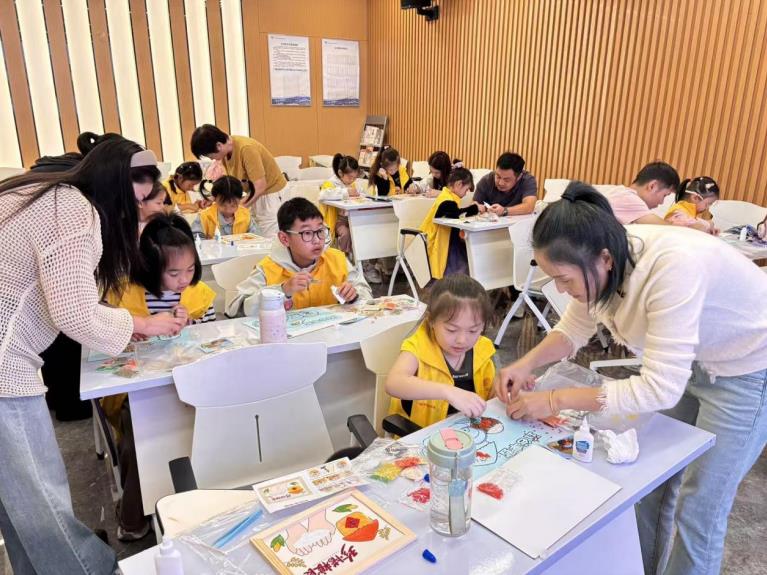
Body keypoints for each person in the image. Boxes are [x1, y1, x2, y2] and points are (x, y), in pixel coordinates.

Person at [494, 182, 767, 575]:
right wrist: (525, 365)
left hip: (748, 368)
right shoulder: (600, 258)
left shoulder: (670, 267)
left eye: (565, 279)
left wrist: (555, 400)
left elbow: (659, 388)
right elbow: (573, 329)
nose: (561, 289)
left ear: (604, 259)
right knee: (654, 483)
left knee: (700, 509)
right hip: (691, 359)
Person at [0, 138, 186, 574]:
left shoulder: (48, 190)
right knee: (41, 499)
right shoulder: (73, 210)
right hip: (5, 367)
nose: (138, 213)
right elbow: (74, 312)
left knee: (18, 500)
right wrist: (142, 324)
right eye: (137, 201)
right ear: (116, 187)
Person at [104, 213, 215, 540]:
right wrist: (136, 331)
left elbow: (214, 336)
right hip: (139, 390)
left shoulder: (197, 294)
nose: (184, 280)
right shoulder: (124, 294)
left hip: (190, 381)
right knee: (142, 432)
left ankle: (209, 497)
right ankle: (133, 517)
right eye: (174, 272)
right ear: (150, 266)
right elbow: (103, 344)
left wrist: (192, 325)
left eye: (190, 269)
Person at [228, 198, 372, 316]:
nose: (317, 240)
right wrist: (283, 290)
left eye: (320, 231)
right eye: (307, 233)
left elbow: (366, 294)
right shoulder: (268, 269)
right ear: (285, 239)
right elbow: (239, 309)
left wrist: (354, 296)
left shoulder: (336, 259)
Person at [386, 274, 496, 428]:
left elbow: (490, 396)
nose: (462, 340)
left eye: (473, 330)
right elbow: (393, 383)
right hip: (421, 433)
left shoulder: (482, 350)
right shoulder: (418, 346)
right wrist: (448, 392)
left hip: (469, 432)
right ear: (431, 320)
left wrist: (506, 391)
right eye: (451, 330)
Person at [190, 124, 287, 237]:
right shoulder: (225, 153)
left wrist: (236, 207)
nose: (211, 159)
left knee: (265, 237)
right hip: (253, 194)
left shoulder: (246, 149)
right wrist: (214, 198)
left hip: (269, 196)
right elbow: (231, 184)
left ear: (219, 145)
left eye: (210, 155)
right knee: (252, 236)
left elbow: (260, 186)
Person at [420, 167, 478, 279]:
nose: (466, 194)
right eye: (466, 189)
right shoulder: (446, 200)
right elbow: (456, 214)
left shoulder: (448, 197)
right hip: (436, 243)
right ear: (459, 184)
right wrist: (475, 209)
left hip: (442, 241)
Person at [602, 161, 680, 225]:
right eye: (664, 195)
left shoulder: (620, 192)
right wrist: (675, 223)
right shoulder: (629, 199)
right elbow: (666, 228)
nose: (661, 202)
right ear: (652, 186)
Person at [319, 154, 361, 258]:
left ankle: (359, 259)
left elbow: (360, 193)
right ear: (340, 173)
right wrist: (346, 192)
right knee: (346, 233)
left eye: (354, 178)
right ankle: (343, 257)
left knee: (361, 231)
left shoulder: (352, 184)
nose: (352, 180)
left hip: (352, 218)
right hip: (337, 220)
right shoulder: (330, 183)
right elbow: (322, 195)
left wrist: (360, 194)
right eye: (350, 177)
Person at [191, 176, 259, 238]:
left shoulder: (245, 215)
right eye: (223, 205)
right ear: (214, 199)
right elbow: (194, 238)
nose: (228, 210)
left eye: (233, 205)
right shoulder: (205, 217)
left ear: (240, 199)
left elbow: (257, 237)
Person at [474, 152, 537, 216]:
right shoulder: (486, 180)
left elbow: (529, 206)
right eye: (498, 177)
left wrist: (504, 211)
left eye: (506, 180)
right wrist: (477, 207)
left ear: (519, 177)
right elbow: (475, 203)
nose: (500, 183)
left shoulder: (527, 180)